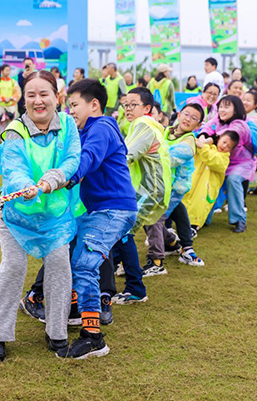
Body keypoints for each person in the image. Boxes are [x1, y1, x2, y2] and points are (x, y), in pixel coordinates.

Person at [0, 70, 81, 362]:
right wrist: (23, 185)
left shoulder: (67, 124)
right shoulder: (15, 129)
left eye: (44, 94)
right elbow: (13, 166)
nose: (38, 101)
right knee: (13, 267)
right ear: (23, 99)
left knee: (59, 266)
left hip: (55, 216)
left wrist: (54, 178)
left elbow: (72, 158)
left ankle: (57, 332)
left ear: (56, 97)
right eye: (31, 95)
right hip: (17, 215)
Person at [51, 79, 138, 359]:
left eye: (74, 105)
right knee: (68, 250)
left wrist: (66, 176)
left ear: (94, 104)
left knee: (84, 265)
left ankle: (93, 337)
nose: (71, 111)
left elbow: (87, 158)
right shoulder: (88, 130)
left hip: (114, 210)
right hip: (97, 210)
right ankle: (77, 308)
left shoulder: (100, 127)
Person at [111, 87, 171, 304]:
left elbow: (127, 155)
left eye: (133, 104)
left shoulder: (144, 125)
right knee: (119, 231)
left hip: (150, 190)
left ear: (147, 108)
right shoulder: (140, 124)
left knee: (123, 231)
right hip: (147, 189)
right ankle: (112, 272)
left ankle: (135, 288)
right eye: (125, 104)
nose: (128, 108)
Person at [144, 103, 204, 274]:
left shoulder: (190, 140)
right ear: (179, 114)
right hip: (158, 184)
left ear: (198, 125)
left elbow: (170, 158)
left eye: (194, 118)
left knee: (152, 217)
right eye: (186, 114)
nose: (188, 119)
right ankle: (172, 243)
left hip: (173, 188)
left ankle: (156, 261)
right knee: (147, 217)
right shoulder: (166, 131)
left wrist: (147, 154)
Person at [197, 95, 257, 233]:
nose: (222, 110)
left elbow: (229, 135)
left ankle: (239, 219)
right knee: (209, 183)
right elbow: (208, 128)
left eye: (227, 107)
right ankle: (202, 218)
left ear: (236, 109)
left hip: (241, 163)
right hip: (222, 161)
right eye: (220, 106)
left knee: (233, 180)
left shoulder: (240, 125)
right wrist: (202, 136)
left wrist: (206, 141)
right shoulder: (218, 120)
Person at [183, 131, 239, 231]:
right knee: (185, 201)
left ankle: (194, 226)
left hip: (206, 188)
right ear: (220, 138)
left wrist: (202, 147)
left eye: (229, 146)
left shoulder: (224, 158)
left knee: (199, 207)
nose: (224, 146)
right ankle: (183, 224)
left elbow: (212, 159)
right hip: (194, 180)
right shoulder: (208, 147)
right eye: (224, 142)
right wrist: (203, 141)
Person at [0, 64, 21, 135]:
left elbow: (17, 93)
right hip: (1, 106)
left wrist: (11, 98)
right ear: (2, 71)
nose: (8, 72)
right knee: (2, 124)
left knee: (11, 124)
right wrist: (3, 99)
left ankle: (10, 140)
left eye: (9, 70)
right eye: (6, 70)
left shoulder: (13, 82)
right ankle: (3, 140)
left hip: (11, 106)